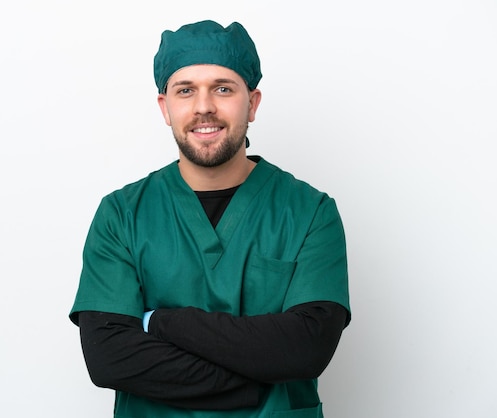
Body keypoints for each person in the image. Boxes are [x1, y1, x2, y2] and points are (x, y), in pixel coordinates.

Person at [69, 20, 351, 418]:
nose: (204, 106)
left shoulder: (309, 212)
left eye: (223, 88)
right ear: (165, 108)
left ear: (251, 104)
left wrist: (162, 323)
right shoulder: (122, 214)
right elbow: (109, 357)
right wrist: (258, 379)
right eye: (185, 90)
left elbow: (305, 349)